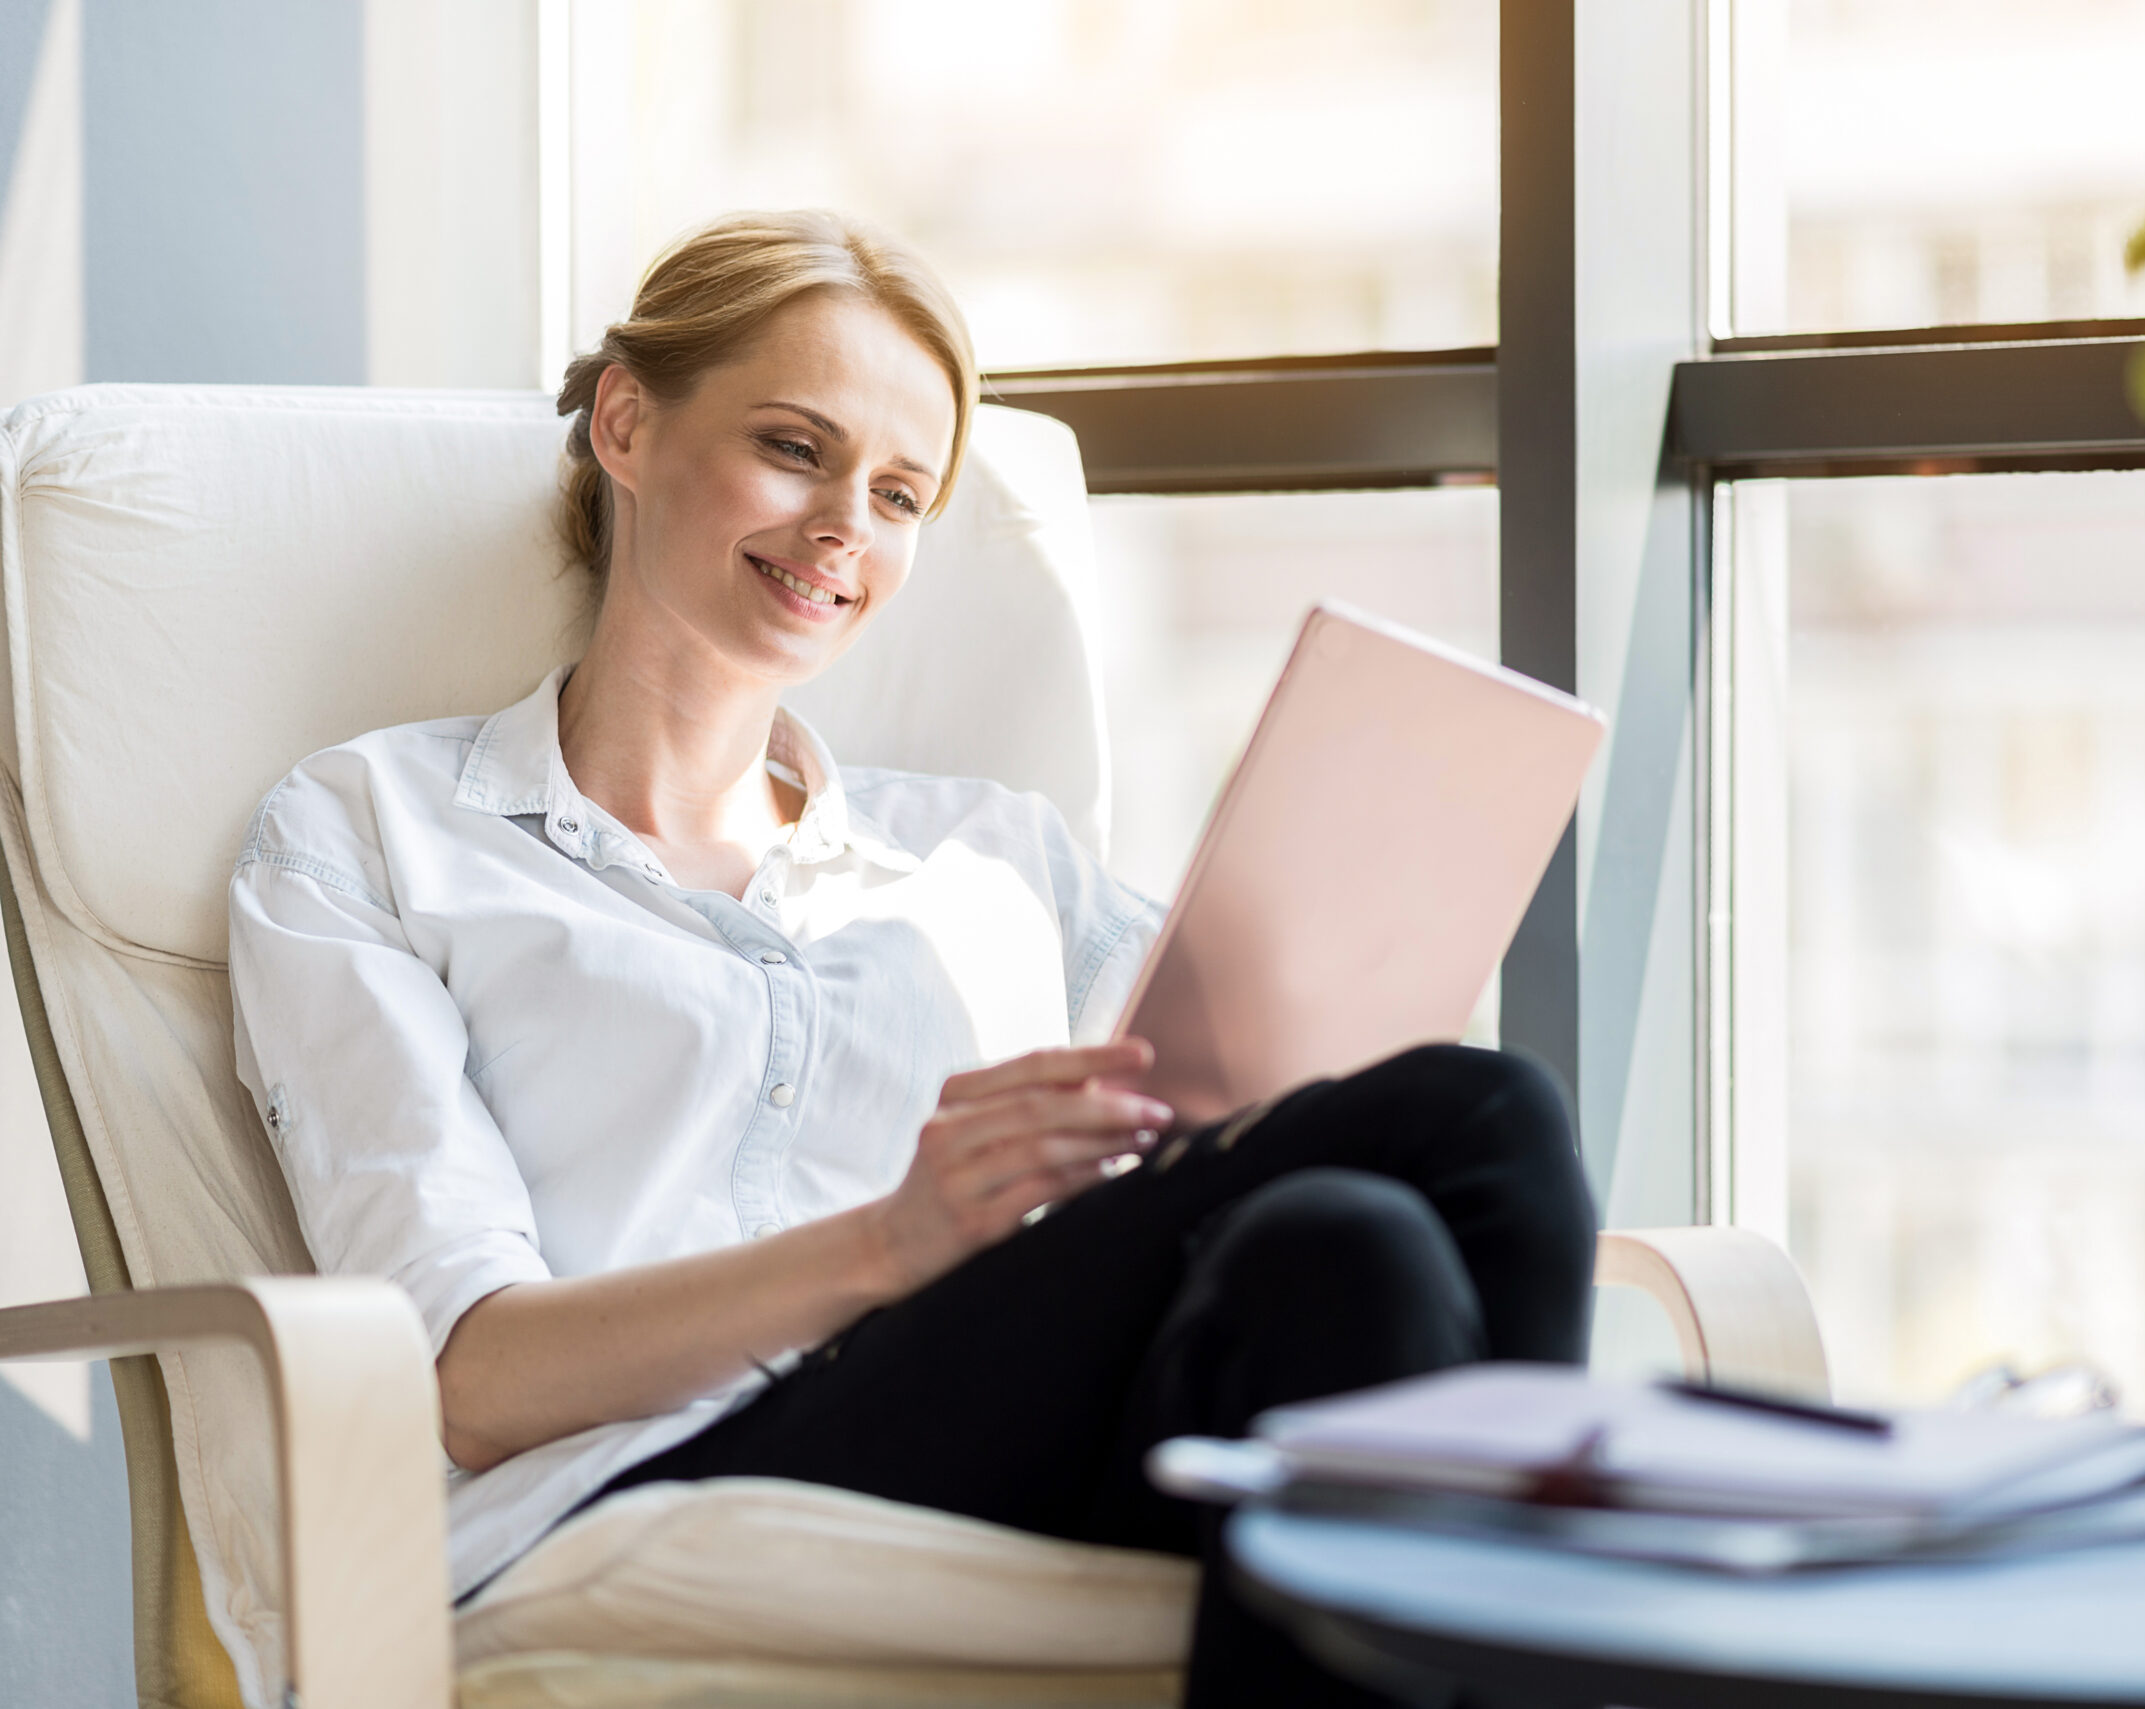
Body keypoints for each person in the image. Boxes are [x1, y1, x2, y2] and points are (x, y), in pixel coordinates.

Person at [227, 210, 1594, 1709]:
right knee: (1486, 1113)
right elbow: (472, 1378)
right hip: (618, 1487)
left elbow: (1242, 1136)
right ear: (625, 420)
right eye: (795, 448)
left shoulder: (994, 858)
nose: (842, 531)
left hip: (1019, 1431)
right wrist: (893, 1241)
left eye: (897, 494)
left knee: (1353, 1249)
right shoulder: (376, 831)